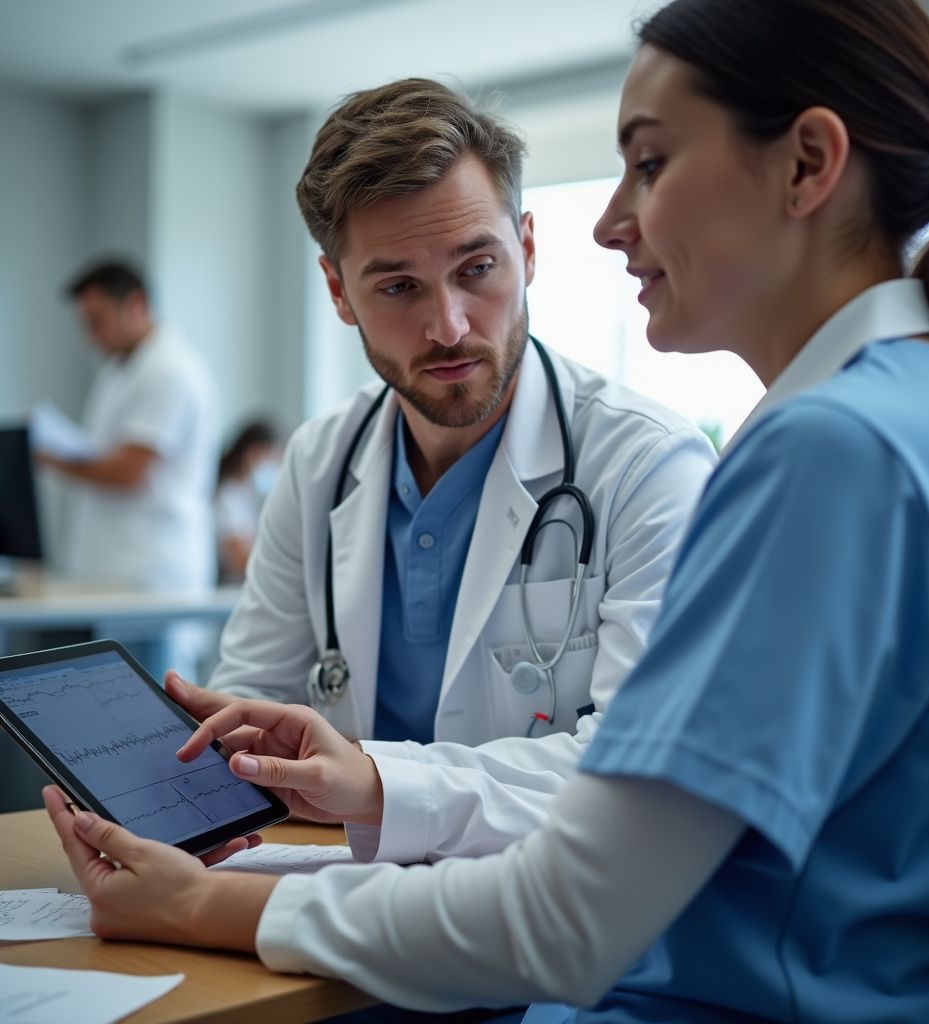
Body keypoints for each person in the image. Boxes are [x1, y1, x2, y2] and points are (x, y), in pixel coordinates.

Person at [46, 0, 929, 1020]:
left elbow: (571, 912)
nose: (609, 221)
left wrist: (210, 905)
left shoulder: (830, 451)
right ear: (340, 293)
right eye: (397, 287)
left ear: (807, 164)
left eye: (649, 163)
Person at [200, 78, 717, 867]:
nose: (448, 326)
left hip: (555, 936)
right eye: (399, 286)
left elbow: (638, 775)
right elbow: (251, 710)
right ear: (339, 291)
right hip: (354, 908)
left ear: (530, 250)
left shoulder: (647, 465)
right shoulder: (319, 464)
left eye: (477, 268)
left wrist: (379, 785)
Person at [42, 261, 218, 592]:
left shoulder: (169, 370)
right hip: (112, 570)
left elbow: (131, 471)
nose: (91, 337)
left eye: (98, 322)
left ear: (136, 305)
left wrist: (53, 458)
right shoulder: (120, 369)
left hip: (150, 574)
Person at [214, 419, 280, 583]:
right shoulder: (227, 497)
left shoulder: (244, 493)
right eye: (272, 456)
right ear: (253, 453)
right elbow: (240, 560)